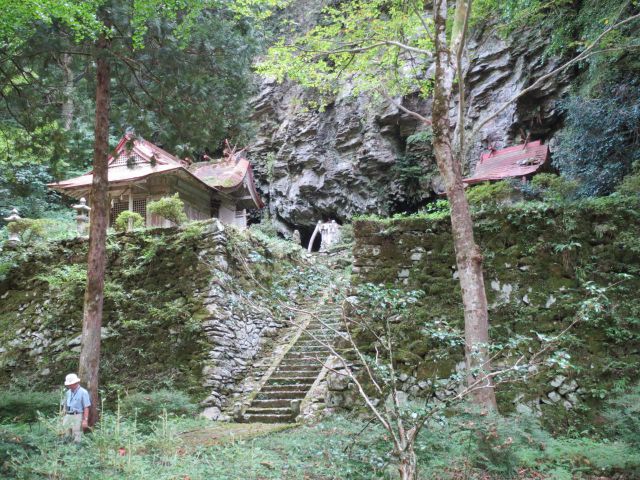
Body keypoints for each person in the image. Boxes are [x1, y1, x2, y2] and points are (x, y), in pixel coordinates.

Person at [62, 373, 91, 443]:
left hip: (77, 415)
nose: (69, 385)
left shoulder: (83, 392)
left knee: (77, 435)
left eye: (70, 384)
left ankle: (77, 451)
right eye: (68, 384)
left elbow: (86, 407)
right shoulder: (68, 392)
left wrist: (85, 420)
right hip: (67, 415)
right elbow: (65, 405)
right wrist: (62, 416)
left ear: (76, 382)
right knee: (65, 434)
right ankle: (66, 451)